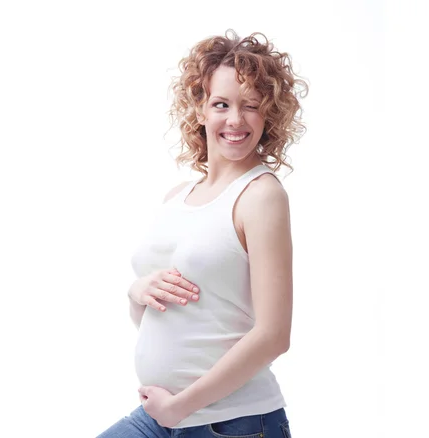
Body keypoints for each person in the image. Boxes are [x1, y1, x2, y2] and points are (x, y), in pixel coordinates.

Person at [97, 29, 308, 438]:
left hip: (234, 423)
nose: (235, 119)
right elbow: (175, 320)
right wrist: (136, 293)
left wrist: (179, 407)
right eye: (221, 104)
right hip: (163, 416)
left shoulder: (261, 196)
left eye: (251, 106)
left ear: (269, 114)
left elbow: (274, 335)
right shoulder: (177, 196)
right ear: (199, 108)